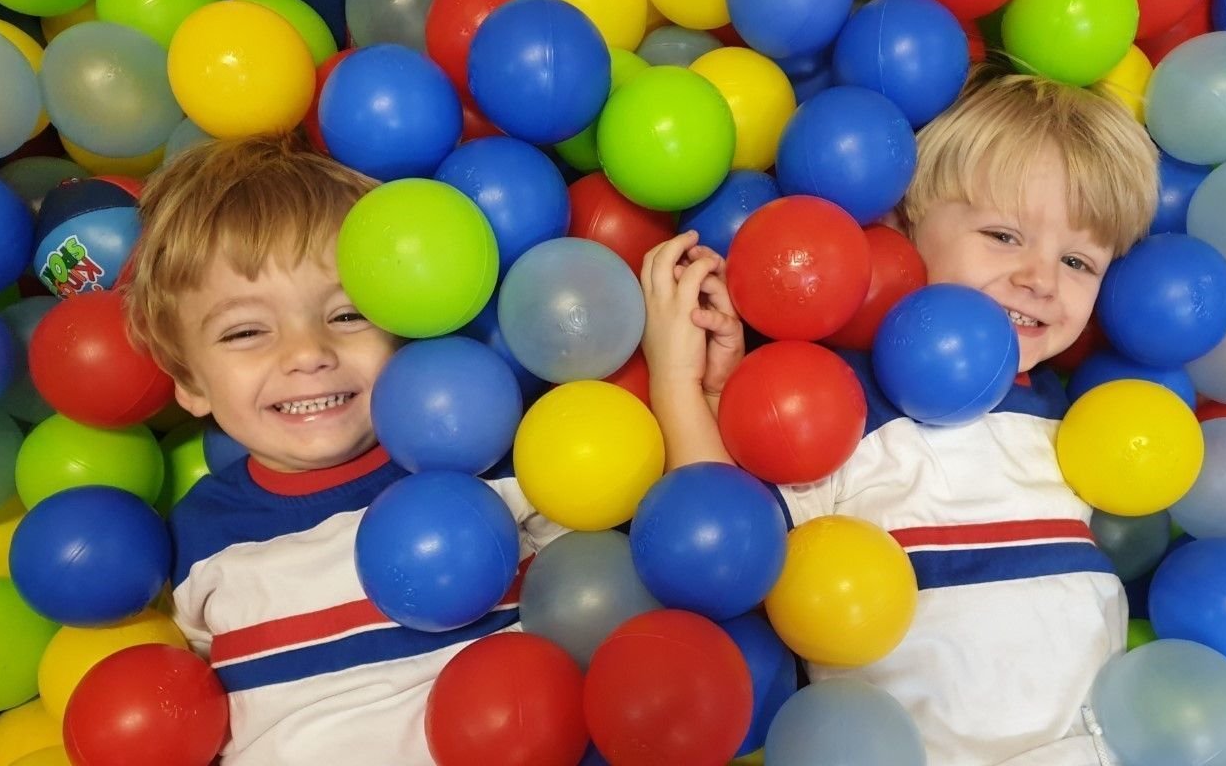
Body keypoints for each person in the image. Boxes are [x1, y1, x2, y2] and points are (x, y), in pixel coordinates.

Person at [640, 64, 1160, 766]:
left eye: (1077, 261)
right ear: (902, 222)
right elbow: (721, 541)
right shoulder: (844, 403)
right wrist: (684, 378)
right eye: (1003, 236)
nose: (1040, 278)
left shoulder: (1072, 421)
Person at [122, 133, 567, 766]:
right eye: (246, 331)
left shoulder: (480, 464)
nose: (307, 353)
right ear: (189, 380)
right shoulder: (195, 540)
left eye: (349, 315)